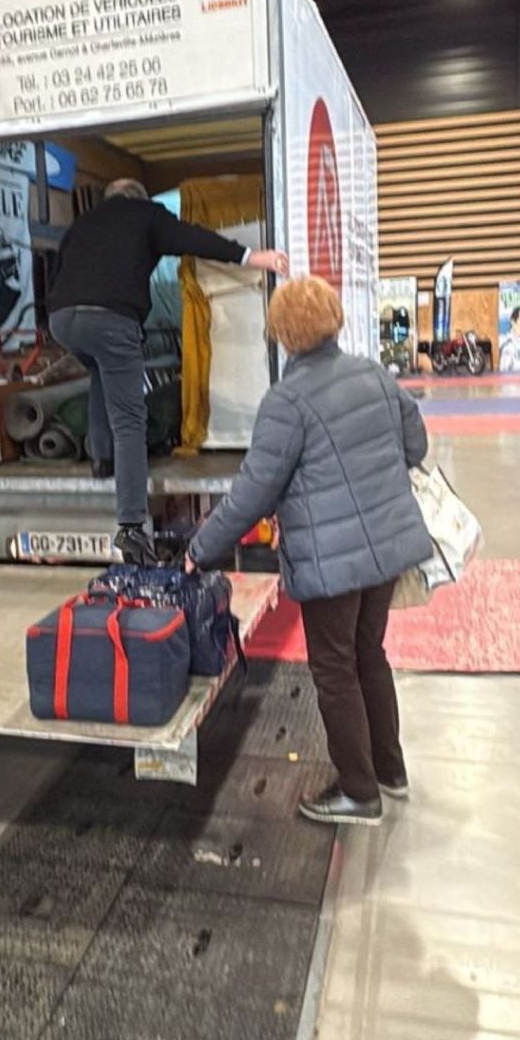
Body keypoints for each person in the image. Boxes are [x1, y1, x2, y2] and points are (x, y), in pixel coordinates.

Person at [185, 275, 431, 827]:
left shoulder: (286, 401)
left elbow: (253, 493)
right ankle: (389, 771)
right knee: (369, 655)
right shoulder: (374, 374)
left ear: (281, 333)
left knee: (335, 669)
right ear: (333, 319)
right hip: (388, 547)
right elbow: (416, 446)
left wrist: (200, 549)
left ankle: (359, 792)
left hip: (331, 561)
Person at [48, 178, 288, 564]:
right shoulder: (147, 215)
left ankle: (102, 458)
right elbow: (195, 239)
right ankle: (131, 526)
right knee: (130, 420)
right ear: (139, 198)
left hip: (62, 320)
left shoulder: (83, 223)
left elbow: (58, 269)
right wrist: (252, 257)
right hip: (111, 318)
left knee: (101, 371)